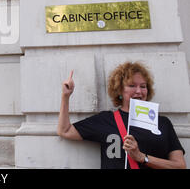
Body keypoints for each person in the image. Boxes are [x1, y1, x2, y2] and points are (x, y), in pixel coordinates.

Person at [57, 61, 186, 169]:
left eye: (143, 86)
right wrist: (65, 96)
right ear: (119, 90)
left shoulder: (162, 123)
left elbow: (180, 166)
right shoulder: (106, 119)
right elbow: (65, 130)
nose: (138, 91)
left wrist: (142, 158)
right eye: (131, 86)